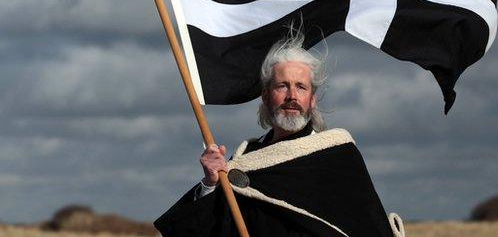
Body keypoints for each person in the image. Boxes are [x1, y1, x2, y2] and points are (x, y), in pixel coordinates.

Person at [154, 32, 405, 237]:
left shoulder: (338, 157)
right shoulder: (246, 161)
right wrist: (211, 184)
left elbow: (371, 229)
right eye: (282, 86)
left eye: (301, 87)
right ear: (266, 96)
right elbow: (210, 228)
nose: (292, 96)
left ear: (312, 99)